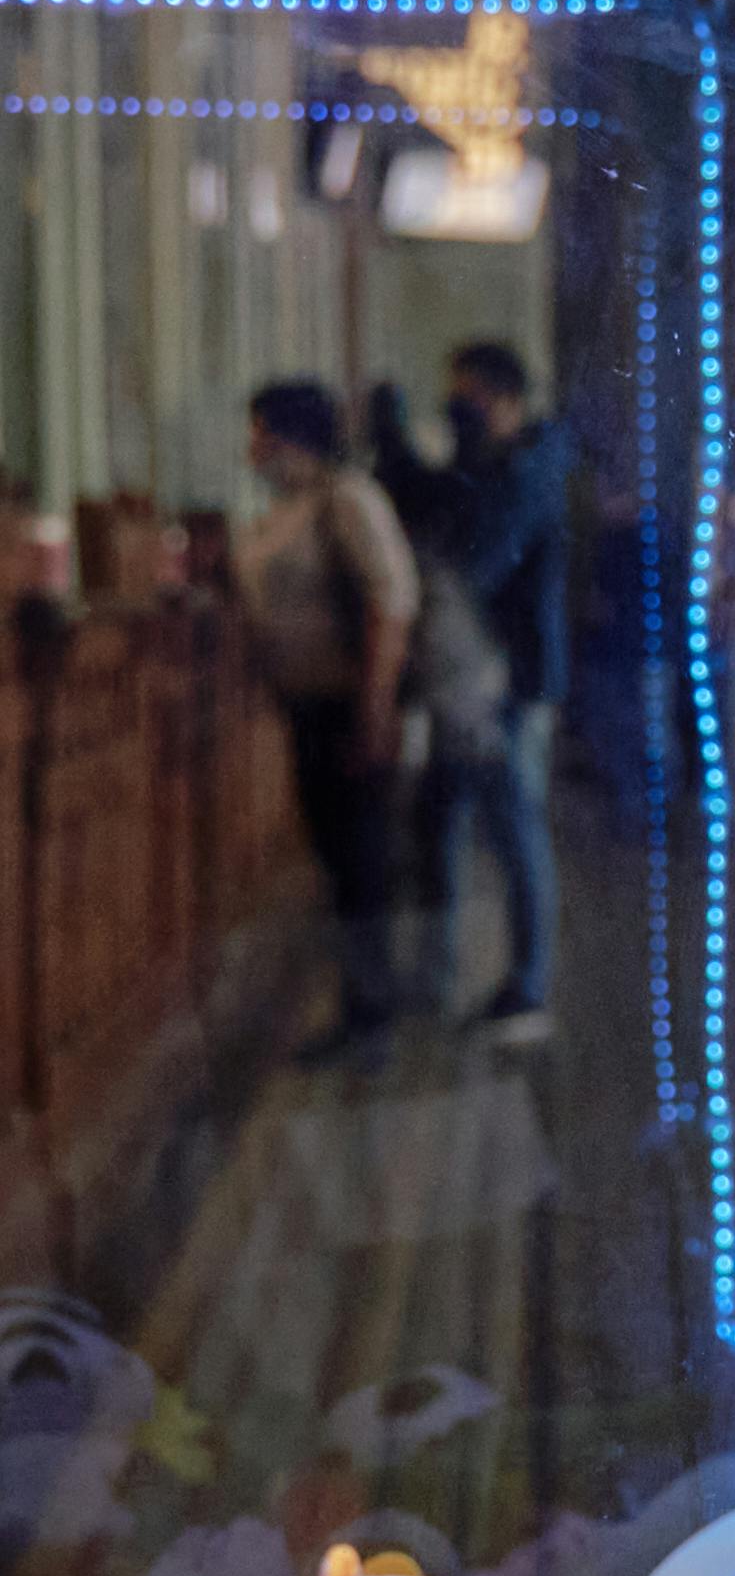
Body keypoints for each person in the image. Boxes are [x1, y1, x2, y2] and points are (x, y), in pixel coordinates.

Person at [371, 341, 570, 1043]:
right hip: (472, 677)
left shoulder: (528, 471)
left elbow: (474, 554)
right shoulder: (505, 466)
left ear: (505, 399)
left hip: (502, 680)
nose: (461, 413)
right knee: (446, 820)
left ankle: (527, 987)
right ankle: (443, 978)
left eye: (470, 399)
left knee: (512, 829)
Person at [238, 378, 420, 1065]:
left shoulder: (347, 499)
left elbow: (390, 602)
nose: (255, 448)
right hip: (308, 708)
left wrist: (373, 711)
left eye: (264, 433)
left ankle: (372, 1016)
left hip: (349, 707)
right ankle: (361, 1005)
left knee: (362, 864)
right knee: (341, 864)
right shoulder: (289, 508)